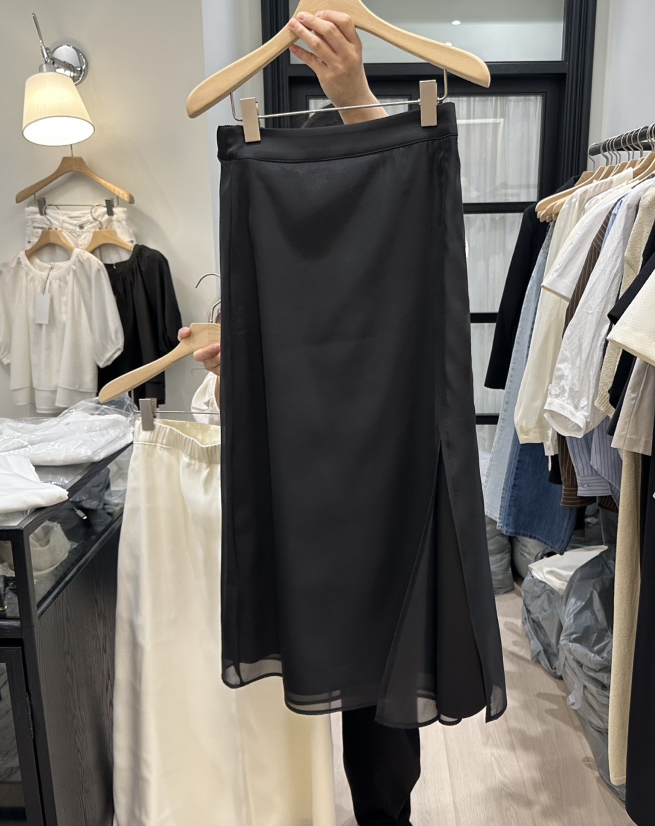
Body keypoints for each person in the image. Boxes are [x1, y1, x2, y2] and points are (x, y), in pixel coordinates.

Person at [179, 12, 420, 826]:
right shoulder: (266, 253)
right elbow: (245, 403)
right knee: (309, 664)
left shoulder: (398, 243)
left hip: (380, 478)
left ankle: (381, 811)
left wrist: (356, 95)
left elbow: (413, 201)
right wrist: (234, 375)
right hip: (299, 483)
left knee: (378, 681)